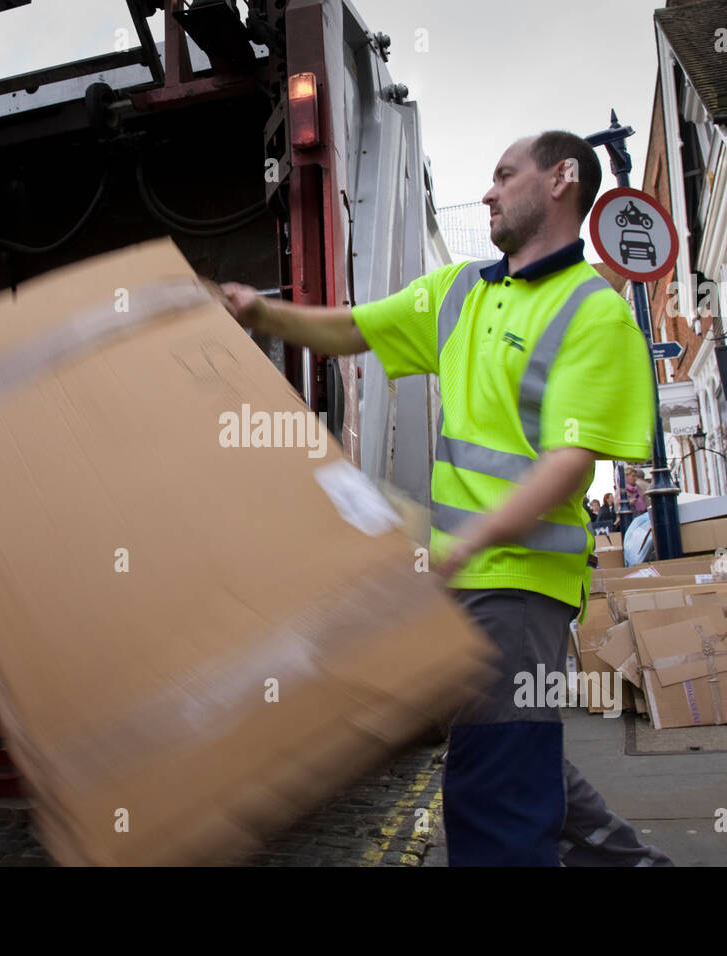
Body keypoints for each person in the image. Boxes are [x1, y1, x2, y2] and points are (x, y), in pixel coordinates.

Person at [222, 130, 671, 867]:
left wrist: (463, 546)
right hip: (462, 580)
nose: (488, 191)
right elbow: (353, 329)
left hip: (521, 584)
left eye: (504, 174)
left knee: (494, 791)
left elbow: (567, 465)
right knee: (515, 753)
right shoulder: (464, 290)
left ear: (562, 178)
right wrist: (261, 314)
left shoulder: (593, 312)